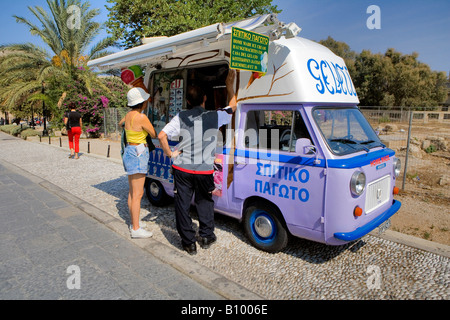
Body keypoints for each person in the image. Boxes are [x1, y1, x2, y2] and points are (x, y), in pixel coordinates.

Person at [158, 70, 237, 255]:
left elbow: (161, 136)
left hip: (182, 168)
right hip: (204, 171)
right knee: (204, 201)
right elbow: (233, 106)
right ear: (205, 99)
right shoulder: (214, 116)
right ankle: (207, 236)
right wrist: (229, 86)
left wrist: (171, 154)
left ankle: (189, 243)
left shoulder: (180, 116)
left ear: (187, 101)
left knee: (182, 204)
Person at [120, 87, 157, 239]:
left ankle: (134, 222)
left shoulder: (128, 116)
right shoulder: (141, 117)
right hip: (138, 153)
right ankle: (136, 228)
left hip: (129, 150)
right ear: (141, 102)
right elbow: (153, 133)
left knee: (132, 192)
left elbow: (121, 123)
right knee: (138, 193)